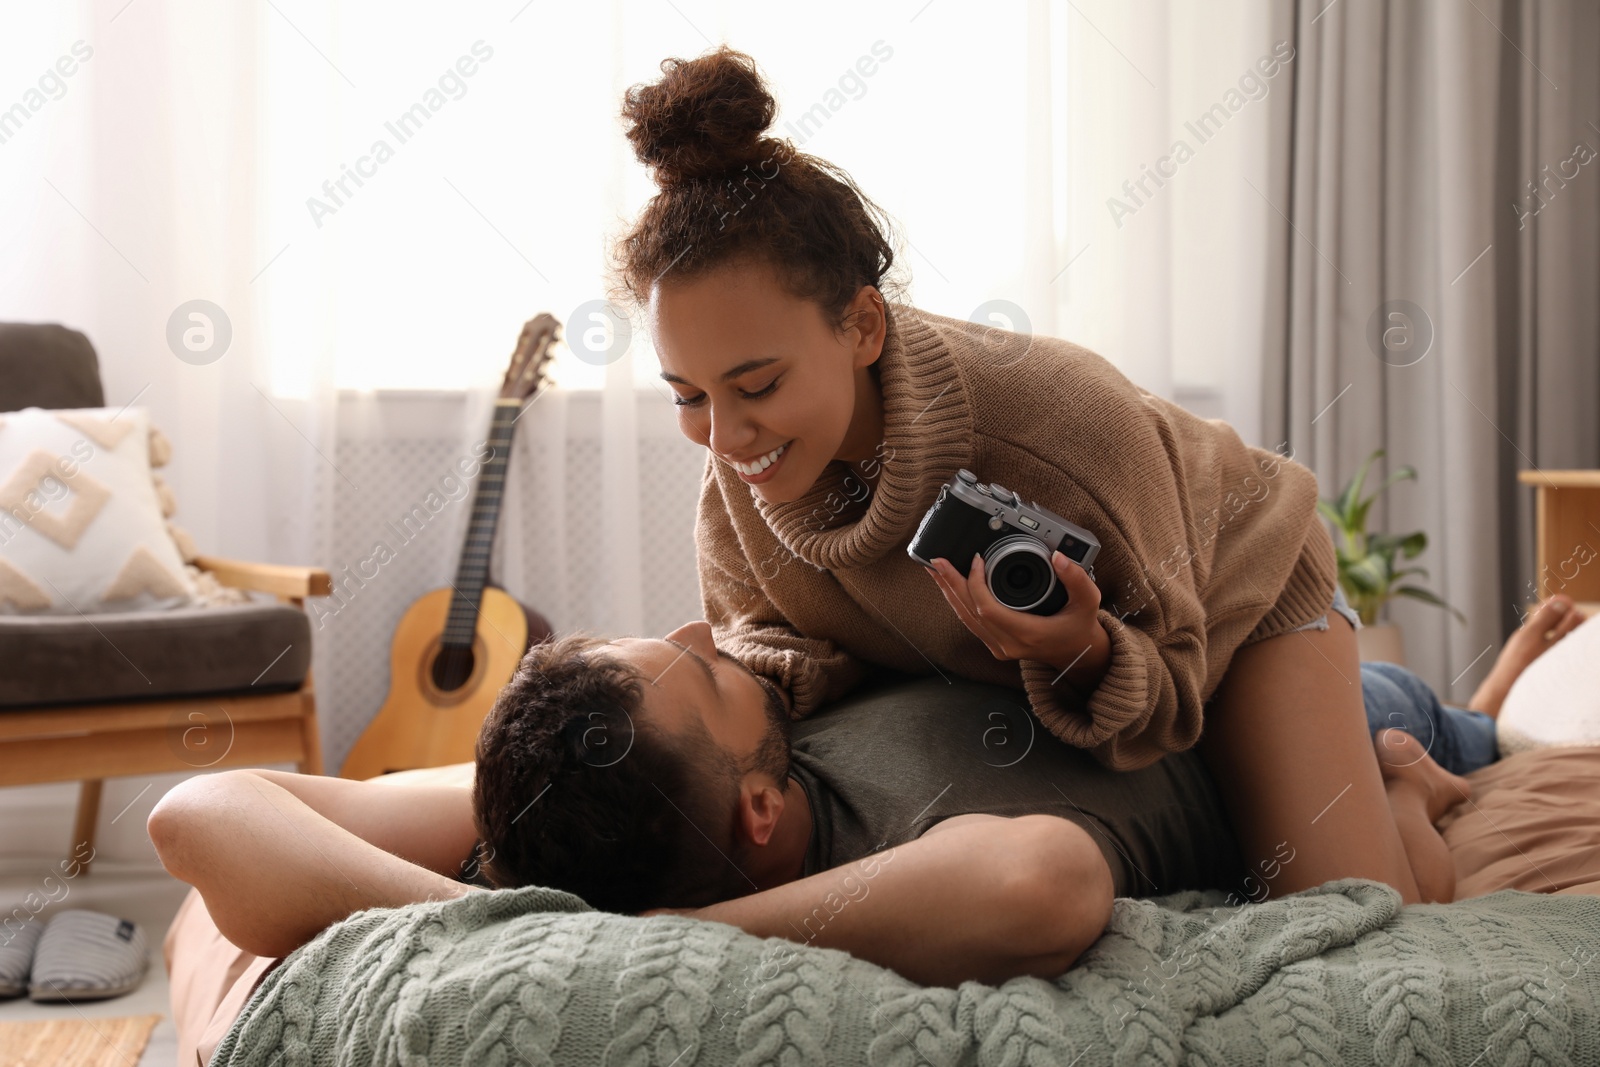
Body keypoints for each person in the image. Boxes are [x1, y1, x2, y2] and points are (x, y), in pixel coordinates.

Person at [606, 44, 1571, 906]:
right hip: (1055, 674)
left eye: (756, 385)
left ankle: (1410, 774)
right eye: (685, 394)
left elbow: (1171, 669)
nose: (724, 435)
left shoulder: (1059, 420)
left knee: (1357, 911)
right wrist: (727, 679)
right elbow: (784, 657)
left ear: (861, 325)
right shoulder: (741, 471)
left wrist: (1079, 650)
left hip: (1225, 605)